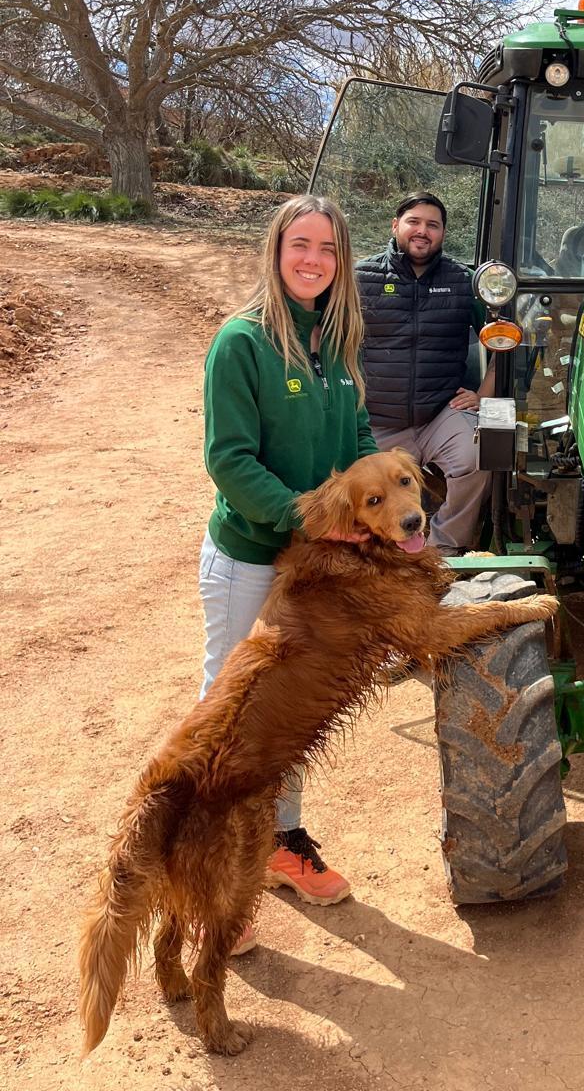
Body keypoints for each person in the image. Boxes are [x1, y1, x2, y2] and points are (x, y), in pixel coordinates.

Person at [201, 194, 376, 944]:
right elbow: (229, 460)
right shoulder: (241, 343)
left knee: (292, 709)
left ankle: (277, 842)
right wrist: (311, 517)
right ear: (276, 251)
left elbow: (359, 436)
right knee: (232, 718)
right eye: (300, 244)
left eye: (328, 249)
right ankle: (209, 878)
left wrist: (378, 503)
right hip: (251, 561)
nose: (313, 260)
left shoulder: (335, 343)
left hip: (315, 566)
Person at [356, 193, 492, 553]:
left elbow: (505, 342)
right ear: (395, 225)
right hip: (377, 420)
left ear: (443, 233)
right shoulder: (361, 278)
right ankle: (378, 551)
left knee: (479, 457)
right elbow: (328, 338)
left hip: (438, 415)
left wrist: (484, 395)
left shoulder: (464, 282)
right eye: (414, 222)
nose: (422, 231)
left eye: (433, 225)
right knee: (359, 485)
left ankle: (445, 549)